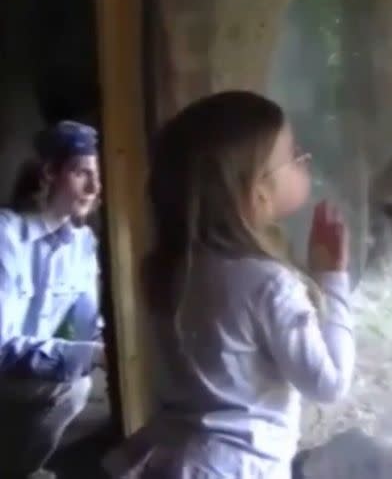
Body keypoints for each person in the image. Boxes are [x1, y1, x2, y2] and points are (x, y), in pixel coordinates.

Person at [103, 91, 356, 479]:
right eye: (294, 154)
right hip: (237, 467)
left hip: (170, 456)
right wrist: (333, 278)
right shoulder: (269, 284)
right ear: (257, 192)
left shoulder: (169, 267)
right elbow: (328, 383)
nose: (305, 159)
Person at [0, 120, 106, 479]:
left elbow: (89, 326)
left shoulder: (82, 245)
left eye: (98, 176)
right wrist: (89, 354)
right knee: (74, 387)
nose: (95, 188)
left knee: (94, 380)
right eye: (82, 174)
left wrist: (108, 347)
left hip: (22, 378)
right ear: (49, 172)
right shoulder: (6, 237)